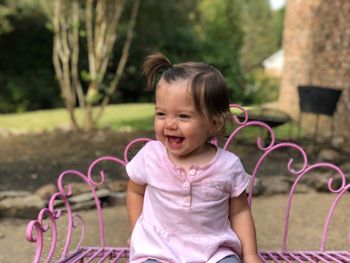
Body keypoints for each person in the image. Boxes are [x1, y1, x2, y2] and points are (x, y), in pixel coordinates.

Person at [126, 53, 262, 263]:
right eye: (161, 114)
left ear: (213, 124)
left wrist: (250, 254)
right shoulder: (151, 155)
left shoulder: (227, 165)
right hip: (157, 249)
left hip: (213, 251)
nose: (169, 124)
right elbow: (135, 191)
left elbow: (240, 212)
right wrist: (138, 232)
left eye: (183, 116)